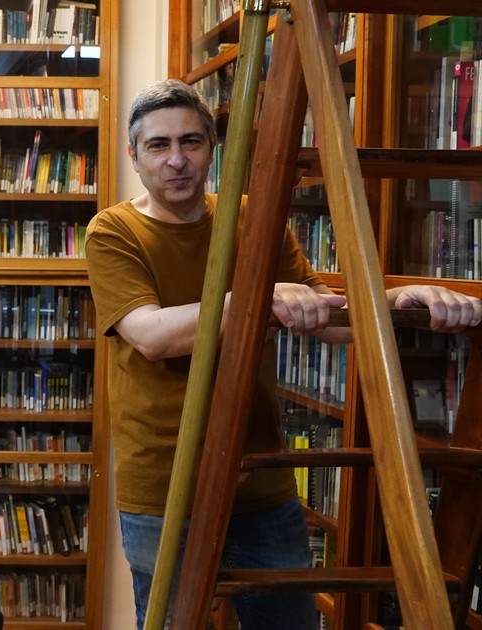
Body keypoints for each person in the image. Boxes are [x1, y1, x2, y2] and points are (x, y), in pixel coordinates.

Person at [84, 79, 482, 630]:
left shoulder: (252, 217)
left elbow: (328, 318)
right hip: (164, 484)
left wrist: (397, 300)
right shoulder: (112, 230)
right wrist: (256, 298)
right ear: (134, 154)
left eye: (191, 142)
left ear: (213, 147)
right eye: (159, 145)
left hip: (261, 478)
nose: (176, 160)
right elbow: (152, 336)